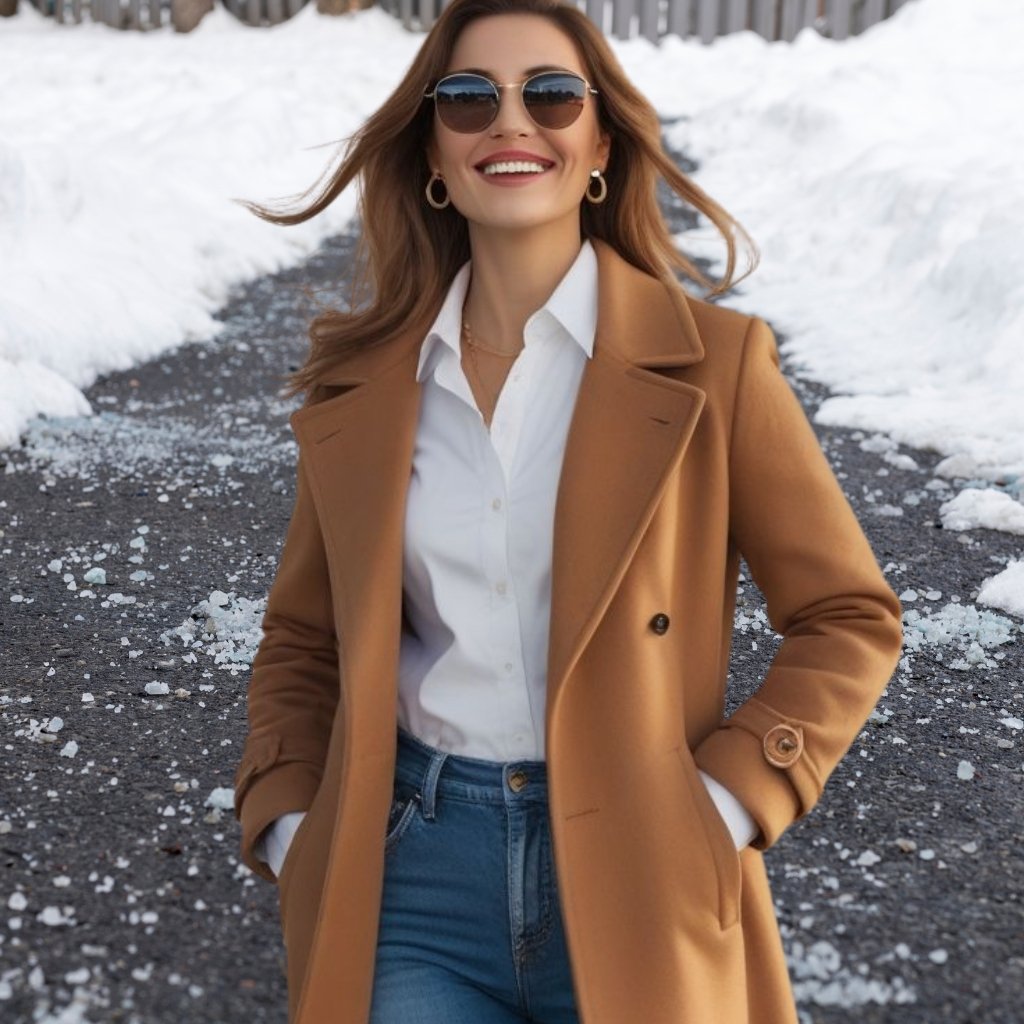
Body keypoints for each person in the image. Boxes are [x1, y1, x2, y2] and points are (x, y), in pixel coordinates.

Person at [231, 0, 904, 1021]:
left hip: (640, 862)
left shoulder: (717, 366)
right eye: (467, 99)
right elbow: (303, 635)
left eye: (549, 94)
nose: (510, 122)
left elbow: (848, 616)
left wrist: (723, 801)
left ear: (598, 145)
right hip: (411, 873)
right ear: (433, 155)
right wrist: (288, 816)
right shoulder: (366, 387)